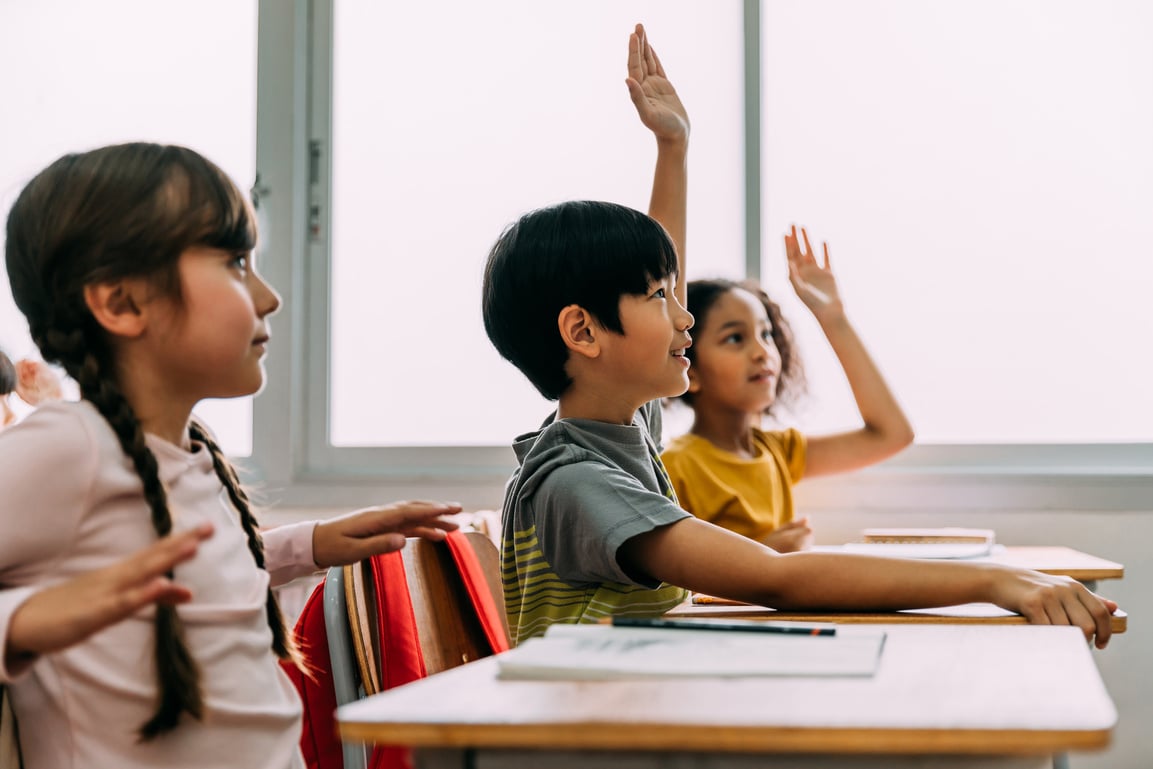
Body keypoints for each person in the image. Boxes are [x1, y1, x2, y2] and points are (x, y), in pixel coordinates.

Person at [481, 24, 1116, 649]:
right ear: (583, 332)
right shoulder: (574, 482)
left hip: (642, 713)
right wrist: (994, 582)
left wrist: (672, 149)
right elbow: (777, 577)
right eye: (658, 298)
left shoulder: (618, 430)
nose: (684, 317)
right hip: (599, 744)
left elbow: (658, 260)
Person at [0, 142, 461, 768]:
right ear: (121, 302)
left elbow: (188, 579)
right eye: (236, 263)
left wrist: (312, 544)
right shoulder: (65, 448)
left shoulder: (185, 451)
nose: (268, 297)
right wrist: (22, 620)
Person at [662, 230, 914, 552]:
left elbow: (892, 435)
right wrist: (767, 555)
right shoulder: (677, 467)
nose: (762, 351)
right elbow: (677, 587)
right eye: (735, 338)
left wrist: (833, 318)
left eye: (766, 334)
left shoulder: (777, 451)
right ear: (691, 371)